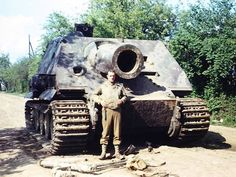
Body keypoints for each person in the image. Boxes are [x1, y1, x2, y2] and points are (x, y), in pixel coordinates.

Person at [93, 70, 127, 160]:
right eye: (110, 76)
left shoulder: (119, 86)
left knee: (117, 132)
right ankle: (103, 152)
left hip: (117, 110)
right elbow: (93, 95)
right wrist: (100, 101)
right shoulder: (103, 86)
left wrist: (122, 100)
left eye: (113, 76)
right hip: (106, 110)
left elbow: (125, 96)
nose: (112, 77)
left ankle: (117, 152)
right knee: (105, 132)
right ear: (107, 77)